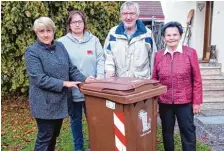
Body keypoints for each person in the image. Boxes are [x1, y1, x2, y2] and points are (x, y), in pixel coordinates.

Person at [24, 17, 94, 151]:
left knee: (53, 136)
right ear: (36, 33)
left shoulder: (60, 46)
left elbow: (71, 69)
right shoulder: (32, 52)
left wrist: (84, 79)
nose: (45, 34)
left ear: (53, 31)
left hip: (60, 103)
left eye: (48, 30)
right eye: (41, 31)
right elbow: (39, 79)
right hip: (44, 104)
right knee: (45, 137)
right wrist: (64, 83)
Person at [152, 21, 202, 151]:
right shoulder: (158, 55)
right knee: (167, 132)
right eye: (168, 35)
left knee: (188, 131)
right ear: (164, 38)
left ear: (180, 36)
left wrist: (197, 102)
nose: (172, 37)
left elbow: (197, 79)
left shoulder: (190, 53)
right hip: (164, 102)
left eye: (175, 34)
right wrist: (155, 102)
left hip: (185, 102)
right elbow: (154, 80)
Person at [58, 11, 104, 151]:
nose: (77, 24)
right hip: (73, 90)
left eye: (80, 21)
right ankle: (79, 147)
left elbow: (101, 59)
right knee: (75, 121)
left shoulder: (93, 40)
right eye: (74, 22)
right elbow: (62, 66)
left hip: (92, 90)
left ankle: (95, 146)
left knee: (94, 120)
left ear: (84, 24)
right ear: (69, 25)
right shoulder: (61, 42)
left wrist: (100, 77)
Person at [104, 1, 156, 79]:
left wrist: (152, 82)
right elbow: (108, 55)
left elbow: (153, 59)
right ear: (121, 16)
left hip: (141, 83)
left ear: (137, 16)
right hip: (119, 83)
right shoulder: (113, 33)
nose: (128, 17)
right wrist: (109, 72)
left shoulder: (147, 34)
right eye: (125, 14)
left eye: (132, 13)